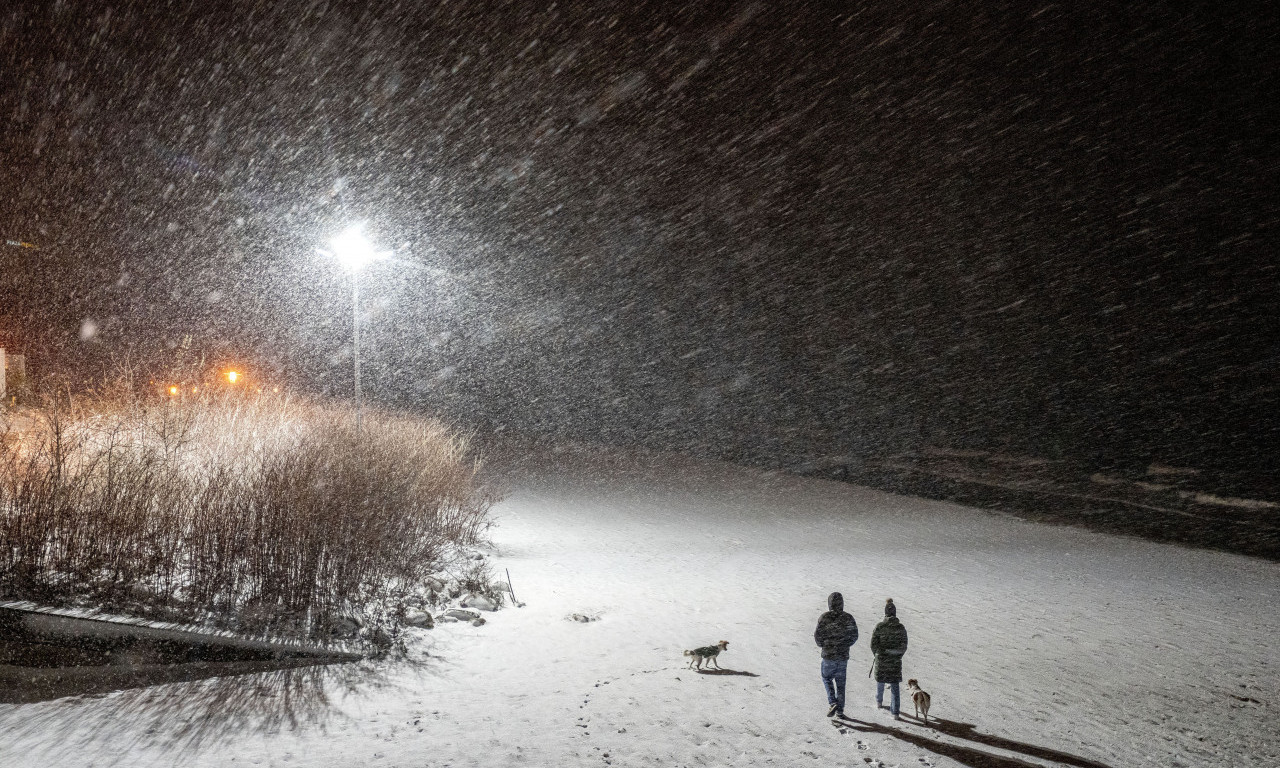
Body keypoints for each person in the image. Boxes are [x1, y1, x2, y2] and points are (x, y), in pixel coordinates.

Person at [813, 591, 859, 718]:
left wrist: (825, 645)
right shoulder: (848, 618)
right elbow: (855, 635)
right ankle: (840, 711)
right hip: (843, 656)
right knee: (841, 683)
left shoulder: (824, 617)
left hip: (828, 655)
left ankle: (832, 702)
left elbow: (818, 636)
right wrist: (845, 644)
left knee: (826, 678)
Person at [870, 597, 909, 719]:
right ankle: (895, 712)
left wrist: (878, 654)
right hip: (895, 661)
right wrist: (897, 655)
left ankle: (879, 702)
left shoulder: (880, 626)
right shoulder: (901, 628)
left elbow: (873, 644)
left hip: (882, 659)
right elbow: (904, 645)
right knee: (894, 685)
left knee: (880, 680)